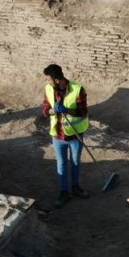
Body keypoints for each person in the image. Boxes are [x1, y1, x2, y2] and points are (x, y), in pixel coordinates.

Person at [41, 64, 90, 207]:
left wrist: (67, 110)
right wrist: (52, 111)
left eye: (49, 79)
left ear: (57, 79)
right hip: (57, 135)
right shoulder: (49, 89)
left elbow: (83, 111)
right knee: (61, 163)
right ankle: (64, 192)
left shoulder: (77, 89)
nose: (47, 82)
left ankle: (75, 187)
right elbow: (45, 108)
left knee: (75, 162)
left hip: (75, 134)